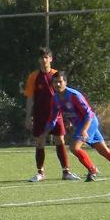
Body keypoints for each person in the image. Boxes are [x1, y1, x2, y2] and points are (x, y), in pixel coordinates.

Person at [51, 71, 110, 182]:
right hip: (82, 125)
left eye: (60, 82)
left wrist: (84, 130)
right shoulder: (55, 98)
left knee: (74, 147)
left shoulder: (74, 95)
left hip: (89, 123)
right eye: (55, 82)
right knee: (104, 151)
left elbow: (89, 114)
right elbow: (59, 113)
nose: (57, 84)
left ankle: (92, 170)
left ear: (65, 82)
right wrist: (66, 122)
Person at [23, 47, 81, 182]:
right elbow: (30, 98)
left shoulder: (56, 74)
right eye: (42, 58)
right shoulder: (33, 77)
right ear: (39, 60)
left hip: (57, 114)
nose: (44, 60)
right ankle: (40, 173)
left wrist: (68, 116)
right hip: (40, 115)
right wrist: (27, 118)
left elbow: (65, 95)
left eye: (46, 57)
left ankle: (66, 172)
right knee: (40, 142)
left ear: (51, 59)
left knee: (60, 140)